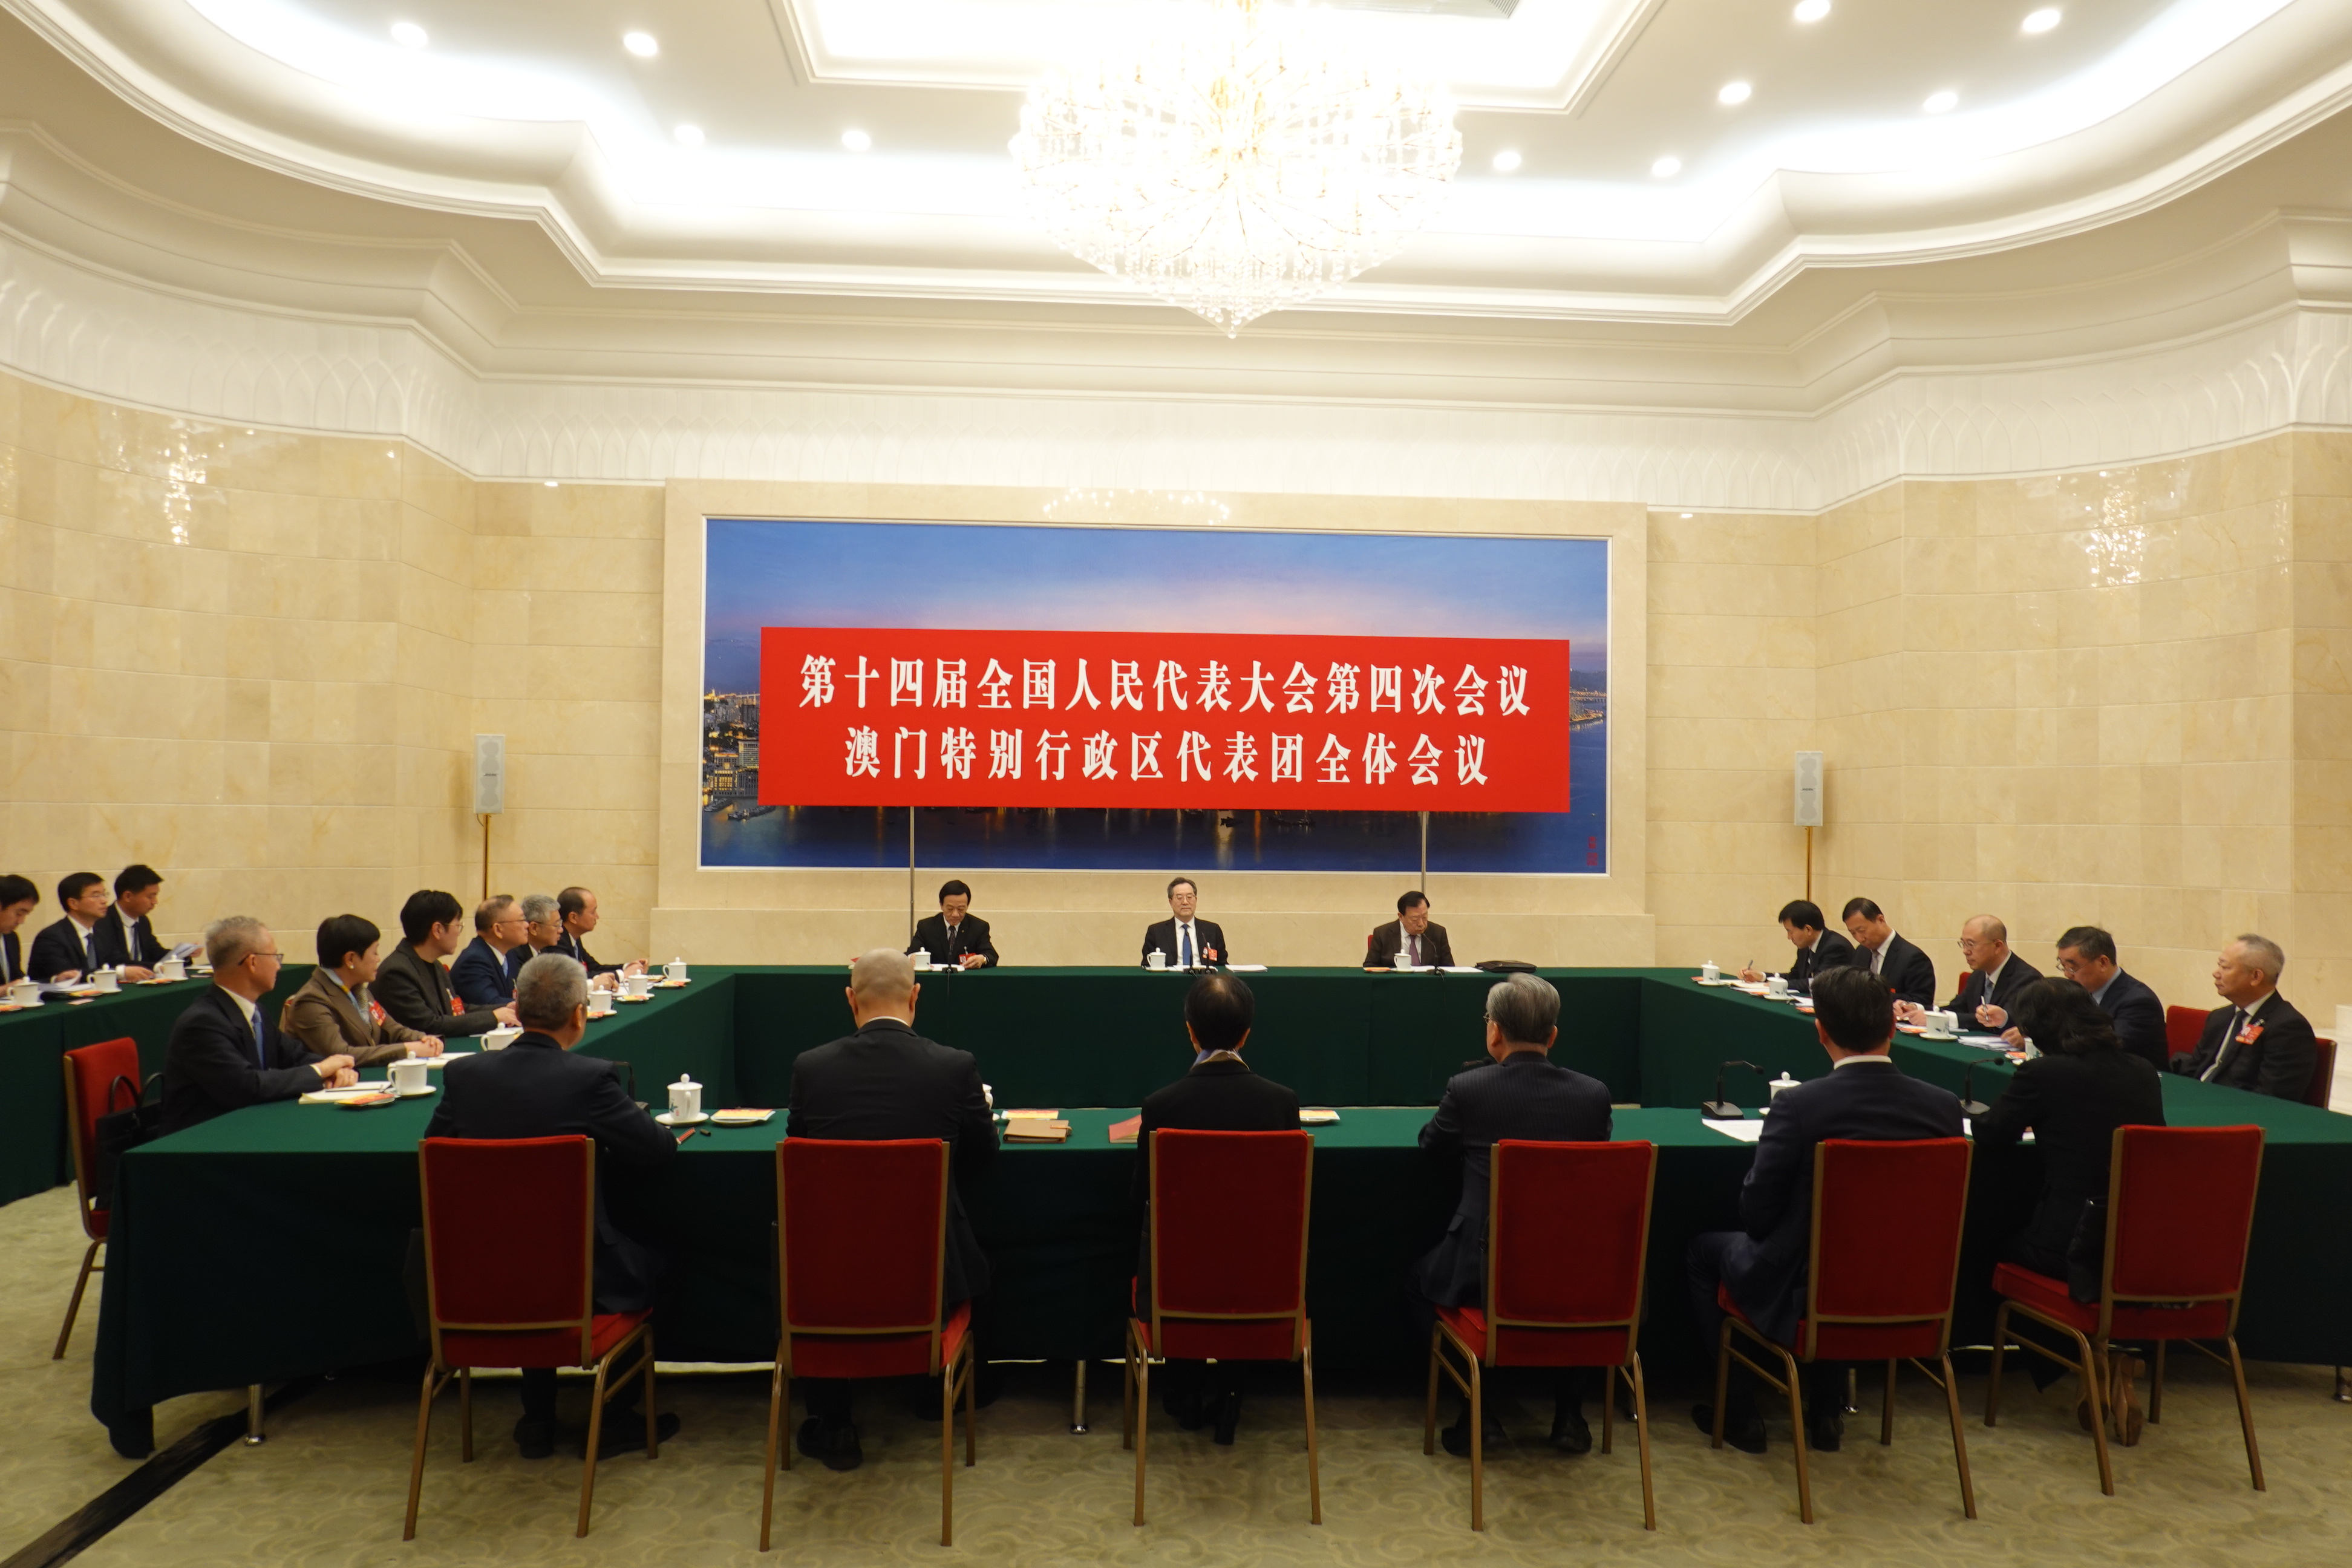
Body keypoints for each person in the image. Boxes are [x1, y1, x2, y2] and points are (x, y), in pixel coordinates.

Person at [1687, 966, 1962, 1454]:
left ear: (1820, 1032)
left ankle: (1739, 1412)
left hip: (1805, 1285)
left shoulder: (1800, 1106)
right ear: (1893, 1026)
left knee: (1704, 1252)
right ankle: (1827, 1411)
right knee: (1842, 1254)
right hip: (1912, 1285)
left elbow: (1757, 1214)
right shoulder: (1942, 1108)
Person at [425, 954, 678, 1460]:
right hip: (579, 1279)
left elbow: (436, 1152)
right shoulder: (590, 1079)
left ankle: (537, 1417)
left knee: (524, 1254)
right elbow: (658, 1149)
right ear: (580, 1015)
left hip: (476, 1277)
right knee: (655, 1259)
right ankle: (615, 1416)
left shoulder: (465, 1076)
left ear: (517, 1007)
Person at [785, 949, 998, 1472]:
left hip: (829, 1277)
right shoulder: (954, 1067)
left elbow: (800, 1155)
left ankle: (834, 1423)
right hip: (929, 1273)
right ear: (916, 996)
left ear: (850, 999)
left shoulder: (811, 1068)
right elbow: (984, 1152)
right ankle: (934, 1390)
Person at [1413, 973, 1613, 1457]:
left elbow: (1431, 1144)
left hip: (1482, 1268)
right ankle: (1570, 1416)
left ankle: (1478, 1412)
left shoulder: (1469, 1088)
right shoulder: (1593, 1095)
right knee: (1570, 1286)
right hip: (1574, 1267)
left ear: (1494, 1032)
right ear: (1553, 1036)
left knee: (1419, 1284)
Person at [1974, 978, 2169, 1437]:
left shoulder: (2046, 1073)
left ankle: (2082, 1359)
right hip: (2140, 1247)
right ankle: (2103, 1358)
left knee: (1986, 1239)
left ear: (2036, 1028)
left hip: (2071, 1247)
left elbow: (1993, 1134)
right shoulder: (2142, 1070)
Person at [1132, 972, 1301, 1445]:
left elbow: (1141, 1193)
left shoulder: (1161, 1105)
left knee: (1178, 1248)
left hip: (1177, 1286)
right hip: (1262, 1285)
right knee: (1244, 1249)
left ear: (1190, 1031)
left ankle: (1183, 1394)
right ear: (1247, 1034)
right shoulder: (1281, 1104)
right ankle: (1231, 1396)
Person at [160, 918, 356, 1134]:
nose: (278, 966)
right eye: (274, 956)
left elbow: (295, 1056)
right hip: (202, 1139)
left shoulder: (256, 1011)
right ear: (253, 962)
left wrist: (336, 1070)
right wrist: (321, 1070)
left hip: (247, 1128)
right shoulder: (202, 1023)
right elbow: (246, 1087)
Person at [1989, 927, 2166, 1070]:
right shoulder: (2078, 993)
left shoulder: (2138, 1002)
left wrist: (2042, 1041)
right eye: (2063, 966)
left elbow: (2108, 1048)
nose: (2067, 974)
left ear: (2103, 962)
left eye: (2072, 967)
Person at [280, 915, 444, 1069]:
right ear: (351, 959)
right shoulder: (311, 1001)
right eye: (375, 952)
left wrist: (422, 1039)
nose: (378, 959)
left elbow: (392, 1029)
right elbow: (341, 1054)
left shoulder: (359, 990)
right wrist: (407, 1049)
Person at [2174, 935, 2318, 1099]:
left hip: (2235, 1109)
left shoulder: (2288, 1027)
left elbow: (2272, 1097)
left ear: (2256, 977)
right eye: (2219, 966)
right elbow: (2194, 1069)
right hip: (2197, 1099)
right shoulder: (2220, 1017)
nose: (2216, 973)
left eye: (2225, 967)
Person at [376, 890, 518, 1038]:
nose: (458, 932)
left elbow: (455, 1009)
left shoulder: (435, 964)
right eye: (457, 925)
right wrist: (493, 1017)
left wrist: (504, 1008)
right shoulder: (397, 973)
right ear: (438, 930)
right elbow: (430, 1025)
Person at [1901, 915, 2039, 1031]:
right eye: (1963, 944)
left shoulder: (2027, 979)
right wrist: (1917, 1008)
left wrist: (1942, 1019)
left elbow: (1995, 1021)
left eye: (1971, 945)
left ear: (1997, 946)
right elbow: (1957, 1008)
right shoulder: (1978, 975)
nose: (1965, 951)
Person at [1739, 900, 1854, 991]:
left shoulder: (1836, 947)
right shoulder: (1805, 947)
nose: (1789, 937)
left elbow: (1819, 983)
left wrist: (1781, 985)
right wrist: (1762, 977)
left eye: (1790, 932)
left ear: (1808, 930)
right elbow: (1795, 977)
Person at [1840, 897, 1936, 1007]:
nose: (1860, 938)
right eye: (1853, 933)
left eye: (1862, 931)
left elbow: (1922, 1002)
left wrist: (1875, 995)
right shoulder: (1861, 952)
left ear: (1880, 920)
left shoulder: (1914, 958)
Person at [554, 886, 645, 988]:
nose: (597, 917)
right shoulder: (557, 941)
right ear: (573, 917)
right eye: (593, 912)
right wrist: (623, 975)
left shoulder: (573, 937)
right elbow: (574, 979)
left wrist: (627, 967)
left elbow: (594, 968)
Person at [28, 872, 109, 983]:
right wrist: (118, 972)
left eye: (104, 894)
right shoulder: (51, 937)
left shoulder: (102, 933)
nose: (104, 901)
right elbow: (69, 975)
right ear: (73, 903)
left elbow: (116, 961)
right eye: (96, 896)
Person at [452, 895, 527, 1011]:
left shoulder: (510, 954)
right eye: (521, 920)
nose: (526, 925)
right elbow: (491, 1004)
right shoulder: (474, 961)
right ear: (498, 929)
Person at [907, 880, 998, 969]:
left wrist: (983, 959)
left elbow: (991, 955)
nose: (955, 914)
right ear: (941, 905)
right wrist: (912, 958)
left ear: (967, 906)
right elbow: (911, 953)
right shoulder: (926, 926)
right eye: (950, 909)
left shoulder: (979, 927)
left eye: (961, 909)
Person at [96, 864, 168, 978]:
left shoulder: (142, 921)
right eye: (150, 897)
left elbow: (155, 952)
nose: (155, 902)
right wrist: (155, 967)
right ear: (128, 896)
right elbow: (115, 960)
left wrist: (183, 955)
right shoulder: (102, 922)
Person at [1141, 877, 1228, 969]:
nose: (1185, 902)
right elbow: (1147, 966)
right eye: (1179, 898)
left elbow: (1222, 966)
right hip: (1170, 977)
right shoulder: (1156, 932)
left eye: (1190, 897)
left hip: (1205, 977)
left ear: (1196, 900)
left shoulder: (1212, 930)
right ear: (1171, 902)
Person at [1365, 890, 1454, 970]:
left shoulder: (1438, 933)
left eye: (1424, 917)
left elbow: (1450, 969)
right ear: (1401, 917)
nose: (1421, 924)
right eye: (1415, 919)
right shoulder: (1382, 934)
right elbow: (1370, 966)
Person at [505, 893, 563, 985]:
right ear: (534, 928)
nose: (561, 930)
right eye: (556, 925)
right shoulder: (515, 957)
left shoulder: (544, 951)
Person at [0, 874, 35, 987]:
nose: (21, 921)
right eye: (19, 914)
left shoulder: (11, 938)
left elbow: (18, 978)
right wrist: (5, 990)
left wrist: (55, 980)